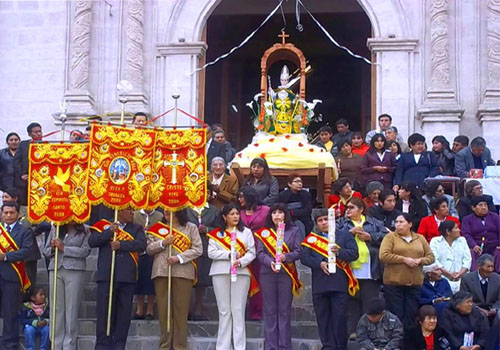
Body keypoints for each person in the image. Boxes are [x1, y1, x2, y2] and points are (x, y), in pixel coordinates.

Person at [301, 208, 359, 350]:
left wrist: (339, 252)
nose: (323, 223)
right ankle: (327, 346)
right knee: (323, 318)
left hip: (339, 284)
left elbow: (354, 254)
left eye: (326, 219)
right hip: (320, 284)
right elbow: (304, 257)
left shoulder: (344, 236)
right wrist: (319, 263)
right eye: (320, 221)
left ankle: (340, 346)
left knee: (339, 318)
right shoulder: (312, 239)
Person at [88, 207, 146, 350]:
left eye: (133, 211)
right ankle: (102, 344)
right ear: (119, 212)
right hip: (107, 275)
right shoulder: (104, 225)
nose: (132, 213)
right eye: (129, 211)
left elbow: (141, 244)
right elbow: (92, 241)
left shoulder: (137, 228)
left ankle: (119, 344)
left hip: (126, 277)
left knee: (123, 314)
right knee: (104, 312)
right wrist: (109, 232)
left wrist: (122, 245)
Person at [146, 209, 203, 350]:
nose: (166, 211)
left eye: (170, 209)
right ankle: (165, 345)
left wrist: (179, 258)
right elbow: (148, 249)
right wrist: (163, 243)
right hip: (161, 271)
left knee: (181, 311)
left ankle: (180, 346)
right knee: (164, 311)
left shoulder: (191, 227)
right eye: (165, 209)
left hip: (183, 272)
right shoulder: (157, 228)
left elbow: (198, 249)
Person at [336, 197, 387, 339]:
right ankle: (353, 331)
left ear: (361, 209)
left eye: (352, 207)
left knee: (370, 301)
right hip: (349, 268)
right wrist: (349, 234)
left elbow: (387, 237)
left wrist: (371, 236)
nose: (348, 210)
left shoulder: (374, 222)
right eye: (347, 208)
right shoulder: (340, 223)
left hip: (371, 267)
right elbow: (332, 239)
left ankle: (369, 332)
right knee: (352, 303)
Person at [208, 203, 256, 350]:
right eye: (231, 214)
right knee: (224, 310)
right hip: (220, 272)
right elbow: (211, 253)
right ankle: (223, 346)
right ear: (224, 217)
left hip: (241, 273)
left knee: (238, 309)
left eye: (237, 213)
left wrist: (240, 262)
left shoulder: (246, 232)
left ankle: (239, 346)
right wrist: (229, 254)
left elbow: (251, 252)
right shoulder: (216, 234)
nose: (235, 216)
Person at [255, 204, 302, 350]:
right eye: (274, 212)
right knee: (269, 310)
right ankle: (271, 346)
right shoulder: (264, 233)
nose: (276, 215)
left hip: (286, 273)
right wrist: (270, 262)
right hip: (267, 273)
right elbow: (260, 253)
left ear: (285, 215)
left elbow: (298, 251)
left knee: (284, 310)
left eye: (280, 212)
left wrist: (285, 257)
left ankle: (284, 345)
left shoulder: (293, 231)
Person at [379, 213, 435, 329]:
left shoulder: (419, 238)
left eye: (401, 222)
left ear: (410, 224)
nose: (398, 225)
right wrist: (404, 259)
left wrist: (420, 261)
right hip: (394, 283)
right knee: (396, 315)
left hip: (414, 283)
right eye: (397, 222)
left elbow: (431, 257)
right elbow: (383, 255)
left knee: (411, 315)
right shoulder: (390, 237)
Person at [43, 222, 91, 349]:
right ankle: (56, 344)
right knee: (56, 308)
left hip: (74, 270)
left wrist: (64, 248)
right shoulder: (55, 227)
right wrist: (53, 248)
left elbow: (85, 251)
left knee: (71, 308)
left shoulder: (86, 230)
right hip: (56, 268)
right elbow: (46, 251)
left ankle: (69, 344)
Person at [0, 201, 33, 350]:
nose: (8, 215)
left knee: (10, 313)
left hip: (12, 278)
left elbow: (27, 251)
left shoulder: (24, 231)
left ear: (17, 214)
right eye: (5, 212)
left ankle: (10, 344)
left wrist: (6, 256)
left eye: (11, 213)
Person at [238, 186, 269, 321]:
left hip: (260, 249)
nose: (239, 199)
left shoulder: (266, 210)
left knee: (258, 281)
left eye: (242, 197)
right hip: (242, 251)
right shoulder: (238, 212)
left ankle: (257, 312)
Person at [186, 203, 220, 320]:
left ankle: (198, 308)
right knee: (188, 280)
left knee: (202, 280)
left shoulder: (213, 210)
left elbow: (220, 229)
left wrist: (207, 229)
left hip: (205, 247)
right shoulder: (186, 209)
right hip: (188, 248)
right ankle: (187, 308)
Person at [133, 208, 163, 320]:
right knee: (138, 279)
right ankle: (139, 309)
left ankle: (150, 309)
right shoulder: (135, 215)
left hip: (153, 252)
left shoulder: (159, 216)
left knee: (151, 281)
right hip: (138, 252)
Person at [429, 220, 472, 293]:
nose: (459, 230)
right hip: (443, 278)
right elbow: (434, 260)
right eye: (456, 228)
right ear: (448, 231)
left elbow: (467, 259)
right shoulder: (435, 241)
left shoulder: (462, 240)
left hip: (461, 278)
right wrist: (448, 274)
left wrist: (459, 274)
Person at [461, 196, 500, 271]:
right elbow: (466, 234)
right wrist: (473, 245)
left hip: (494, 246)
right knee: (472, 252)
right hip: (477, 247)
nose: (484, 207)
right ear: (473, 208)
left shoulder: (495, 217)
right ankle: (475, 275)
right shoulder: (467, 219)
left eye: (485, 205)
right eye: (480, 205)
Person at [460, 254, 500, 321]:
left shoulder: (497, 278)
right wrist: (480, 310)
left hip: (493, 309)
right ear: (479, 266)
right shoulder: (467, 279)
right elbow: (464, 300)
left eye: (492, 267)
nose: (490, 270)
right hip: (475, 309)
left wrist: (494, 309)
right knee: (480, 316)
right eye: (488, 267)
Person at [14, 122, 43, 206]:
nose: (38, 134)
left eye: (40, 131)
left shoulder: (46, 145)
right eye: (35, 132)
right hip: (25, 180)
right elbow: (16, 161)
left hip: (41, 180)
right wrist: (22, 174)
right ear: (30, 134)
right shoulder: (23, 145)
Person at [277, 173, 313, 238]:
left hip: (304, 220)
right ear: (289, 184)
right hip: (288, 219)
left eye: (301, 182)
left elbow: (308, 210)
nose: (300, 184)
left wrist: (293, 212)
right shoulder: (282, 195)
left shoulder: (306, 194)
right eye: (296, 181)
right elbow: (281, 209)